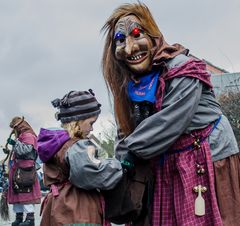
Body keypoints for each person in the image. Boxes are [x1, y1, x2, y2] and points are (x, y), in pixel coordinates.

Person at [101, 2, 240, 226]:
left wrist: (129, 152)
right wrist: (118, 162)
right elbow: (126, 130)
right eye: (120, 40)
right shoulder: (133, 85)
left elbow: (169, 121)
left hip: (207, 158)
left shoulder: (183, 69)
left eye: (137, 35)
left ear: (153, 35)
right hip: (169, 163)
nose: (130, 48)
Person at [37, 89, 122, 226]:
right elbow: (91, 173)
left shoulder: (57, 145)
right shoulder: (78, 147)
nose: (92, 129)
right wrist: (119, 166)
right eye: (91, 123)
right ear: (77, 121)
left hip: (59, 206)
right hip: (77, 208)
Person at [7, 116, 41, 226]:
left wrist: (14, 143)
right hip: (18, 169)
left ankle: (30, 219)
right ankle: (19, 217)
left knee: (26, 193)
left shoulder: (28, 136)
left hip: (26, 171)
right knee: (18, 193)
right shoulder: (22, 136)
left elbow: (25, 150)